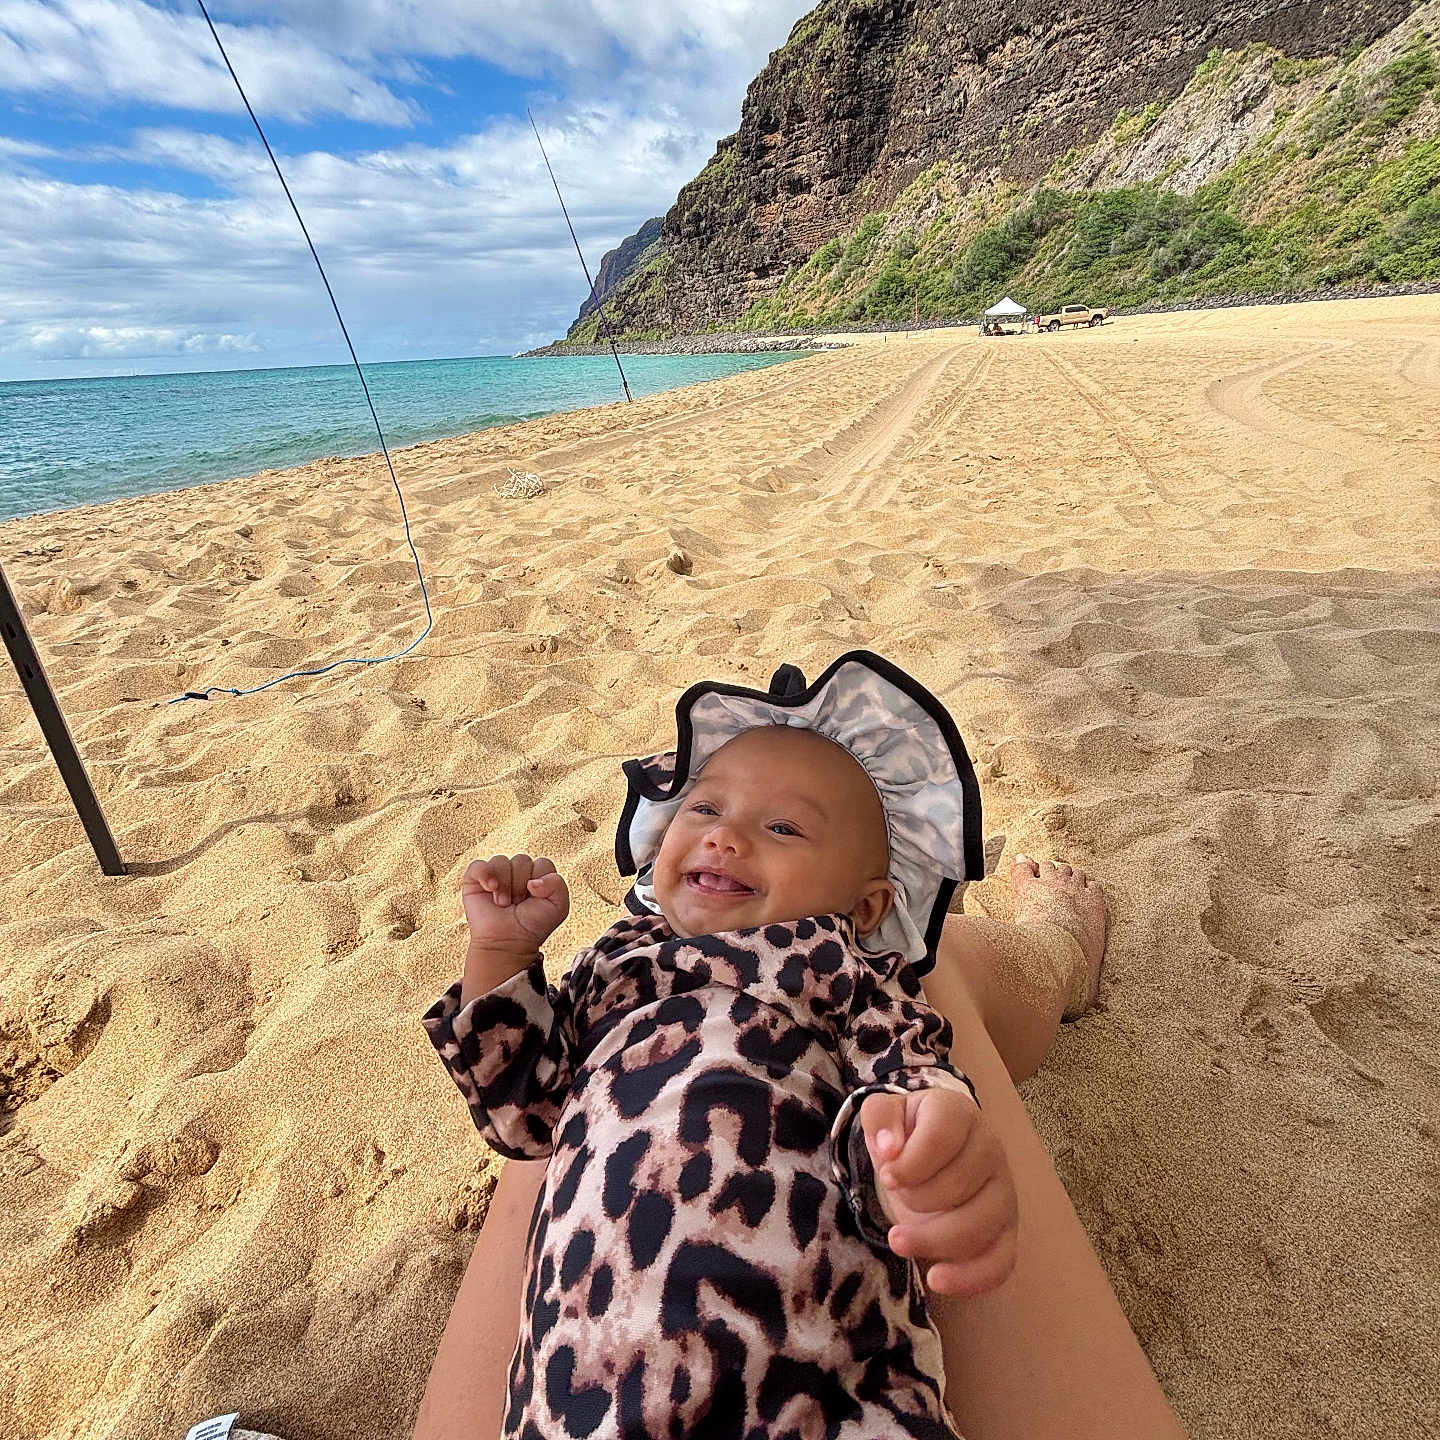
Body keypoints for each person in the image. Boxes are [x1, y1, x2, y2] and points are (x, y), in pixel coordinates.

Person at [415, 654, 1189, 1440]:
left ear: (868, 908)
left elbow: (907, 1073)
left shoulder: (845, 971)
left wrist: (926, 1144)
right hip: (586, 1403)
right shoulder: (613, 967)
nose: (724, 835)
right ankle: (1046, 956)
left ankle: (1051, 960)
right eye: (703, 807)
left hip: (821, 1391)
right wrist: (502, 960)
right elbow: (523, 1117)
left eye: (782, 827)